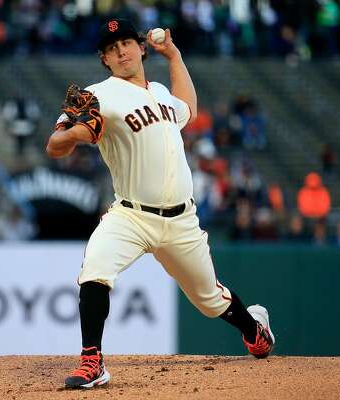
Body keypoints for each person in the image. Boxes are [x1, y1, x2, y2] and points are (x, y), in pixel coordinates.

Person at [46, 19, 275, 390]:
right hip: (130, 215)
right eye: (111, 48)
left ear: (141, 48)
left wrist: (174, 55)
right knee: (95, 271)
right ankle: (93, 361)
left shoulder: (162, 94)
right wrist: (76, 133)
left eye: (126, 43)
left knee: (210, 301)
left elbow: (189, 108)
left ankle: (254, 329)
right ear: (104, 60)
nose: (120, 51)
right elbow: (54, 146)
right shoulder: (98, 94)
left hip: (181, 220)